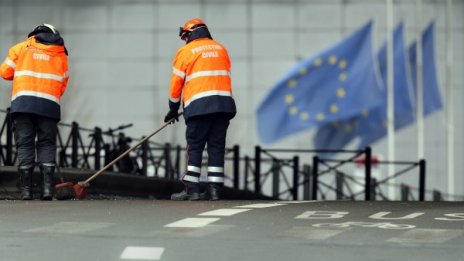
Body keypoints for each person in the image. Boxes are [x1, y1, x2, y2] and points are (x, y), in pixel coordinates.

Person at [165, 18, 236, 201]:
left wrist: (173, 108)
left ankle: (192, 190)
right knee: (216, 147)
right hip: (223, 105)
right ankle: (214, 190)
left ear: (189, 34)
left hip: (199, 106)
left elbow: (176, 83)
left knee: (195, 146)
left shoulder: (186, 51)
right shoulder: (221, 48)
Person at [0, 24, 69, 200]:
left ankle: (26, 191)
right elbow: (63, 81)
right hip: (49, 105)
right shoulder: (60, 53)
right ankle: (46, 191)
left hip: (23, 103)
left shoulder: (20, 48)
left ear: (34, 34)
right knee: (46, 143)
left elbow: (4, 72)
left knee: (24, 144)